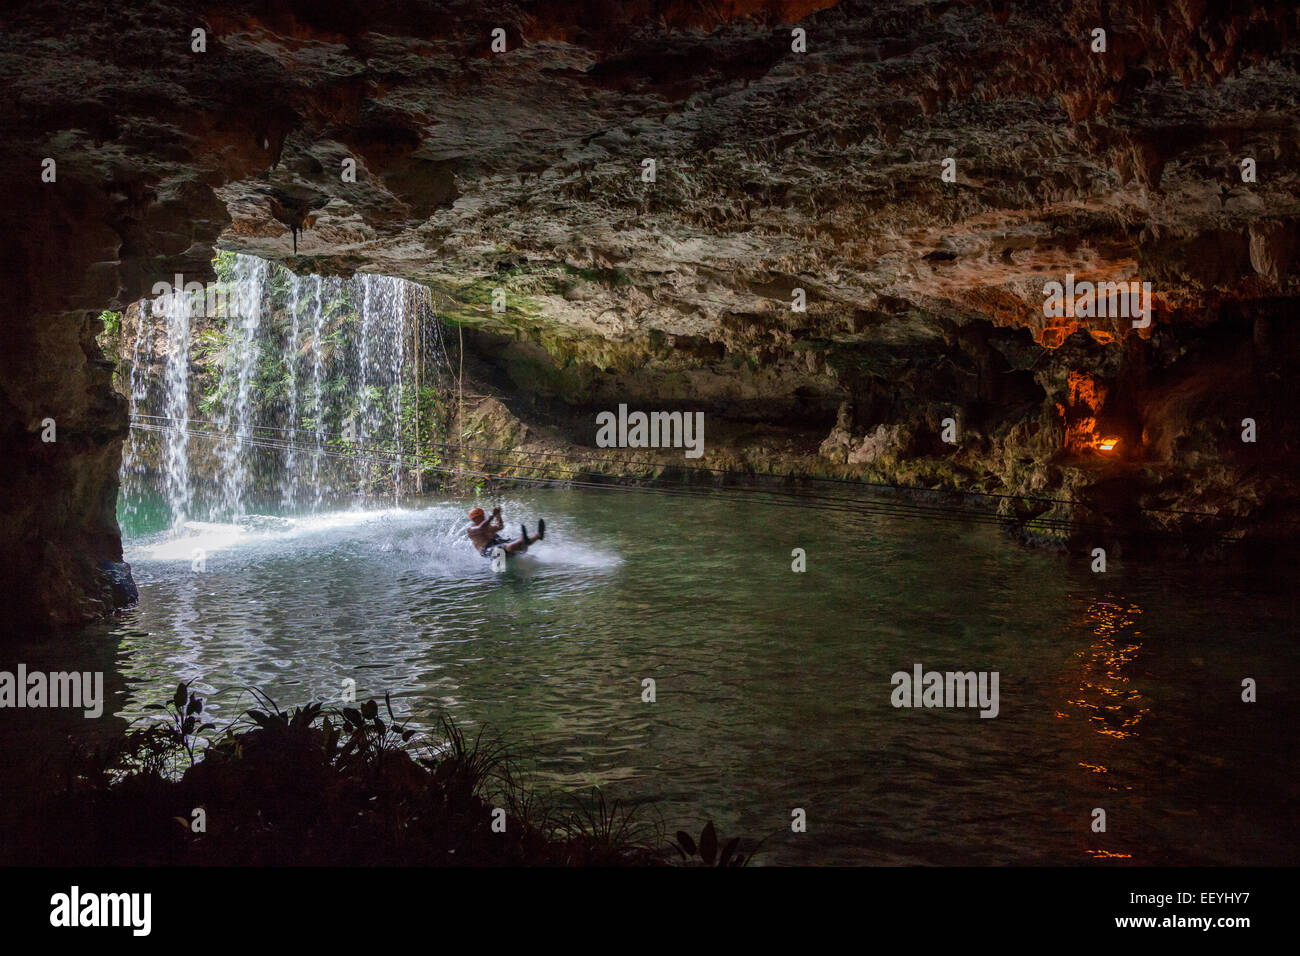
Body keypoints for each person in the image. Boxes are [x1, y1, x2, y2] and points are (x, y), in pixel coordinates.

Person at [467, 505, 543, 558]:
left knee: (515, 542)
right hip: (487, 550)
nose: (481, 518)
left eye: (482, 516)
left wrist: (498, 515)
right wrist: (492, 516)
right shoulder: (471, 529)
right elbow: (481, 528)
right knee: (505, 547)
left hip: (498, 542)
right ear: (473, 519)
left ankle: (537, 535)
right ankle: (522, 540)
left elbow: (500, 526)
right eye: (477, 517)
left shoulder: (488, 526)